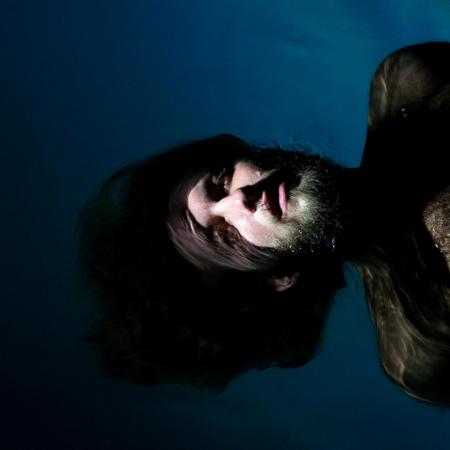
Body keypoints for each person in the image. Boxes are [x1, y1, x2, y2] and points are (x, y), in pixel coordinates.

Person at [77, 42, 449, 403]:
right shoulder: (427, 348)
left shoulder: (416, 81)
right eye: (224, 234)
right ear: (276, 280)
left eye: (221, 181)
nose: (238, 199)